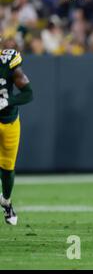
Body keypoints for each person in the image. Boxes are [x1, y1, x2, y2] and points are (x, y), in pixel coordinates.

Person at [0, 47, 34, 225]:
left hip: (9, 121)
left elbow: (28, 93)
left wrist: (7, 100)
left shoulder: (8, 61)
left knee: (7, 167)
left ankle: (6, 201)